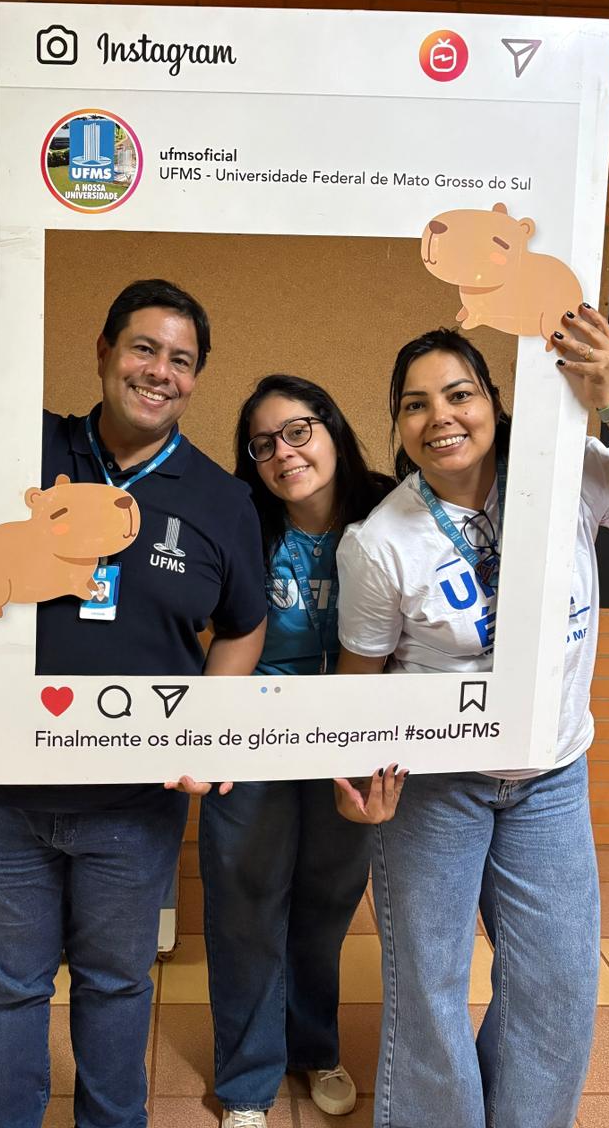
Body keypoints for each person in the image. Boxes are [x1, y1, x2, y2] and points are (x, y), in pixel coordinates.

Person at [0, 192, 267, 1128]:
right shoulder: (19, 443)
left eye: (181, 360)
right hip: (1, 793)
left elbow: (243, 626)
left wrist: (206, 732)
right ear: (103, 352)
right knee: (8, 987)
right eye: (143, 348)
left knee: (116, 984)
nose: (160, 371)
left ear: (196, 380)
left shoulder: (221, 501)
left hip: (132, 804)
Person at [333, 312, 609, 1128]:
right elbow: (359, 684)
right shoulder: (380, 541)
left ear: (494, 401)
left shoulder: (566, 476)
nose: (440, 417)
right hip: (433, 784)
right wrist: (354, 781)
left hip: (550, 775)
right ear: (398, 425)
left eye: (459, 394)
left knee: (559, 984)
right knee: (429, 988)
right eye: (415, 404)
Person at [198, 374, 400, 1128]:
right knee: (245, 905)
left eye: (297, 431)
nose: (283, 453)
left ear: (332, 427)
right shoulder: (243, 525)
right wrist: (209, 736)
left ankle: (315, 1048)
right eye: (263, 444)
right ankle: (247, 1081)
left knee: (327, 902)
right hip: (255, 743)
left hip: (353, 744)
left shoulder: (390, 512)